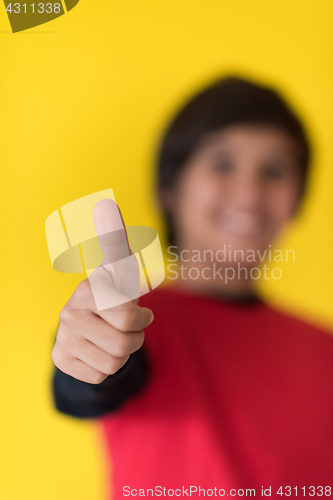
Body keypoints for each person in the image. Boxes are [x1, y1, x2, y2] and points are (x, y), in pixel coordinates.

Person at [52, 76, 333, 499]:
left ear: (295, 201)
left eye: (274, 170)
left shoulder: (323, 347)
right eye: (222, 163)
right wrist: (86, 356)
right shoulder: (137, 320)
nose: (250, 192)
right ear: (169, 189)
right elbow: (94, 379)